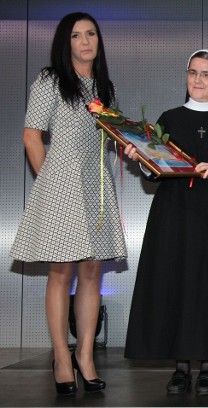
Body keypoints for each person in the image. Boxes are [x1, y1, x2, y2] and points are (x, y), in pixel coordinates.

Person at [124, 49, 208, 396]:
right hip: (174, 217)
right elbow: (154, 169)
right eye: (193, 72)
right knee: (177, 287)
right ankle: (181, 369)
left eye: (206, 74)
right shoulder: (169, 117)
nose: (198, 80)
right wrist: (139, 158)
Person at [10, 12, 126, 395]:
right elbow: (31, 136)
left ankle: (86, 356)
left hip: (96, 186)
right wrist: (51, 182)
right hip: (61, 182)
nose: (85, 41)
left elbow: (115, 139)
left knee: (92, 272)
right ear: (66, 42)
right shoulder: (50, 80)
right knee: (61, 271)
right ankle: (62, 357)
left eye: (91, 33)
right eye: (76, 35)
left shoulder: (105, 87)